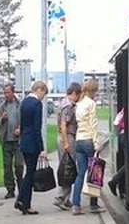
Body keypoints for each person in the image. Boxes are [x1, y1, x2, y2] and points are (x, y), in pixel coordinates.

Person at [71, 79, 106, 215]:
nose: (96, 94)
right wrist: (97, 144)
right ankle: (93, 205)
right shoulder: (91, 104)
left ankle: (75, 205)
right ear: (92, 91)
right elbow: (93, 125)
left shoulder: (79, 104)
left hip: (79, 141)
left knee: (81, 173)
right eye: (95, 91)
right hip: (89, 141)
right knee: (94, 173)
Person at [16, 80, 47, 215]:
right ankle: (25, 203)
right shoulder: (36, 104)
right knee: (30, 173)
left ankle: (21, 200)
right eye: (44, 94)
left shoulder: (24, 102)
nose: (43, 97)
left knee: (28, 172)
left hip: (24, 141)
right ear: (39, 90)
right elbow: (37, 127)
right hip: (33, 143)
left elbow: (22, 124)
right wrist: (41, 148)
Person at [53, 82, 82, 210]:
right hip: (68, 137)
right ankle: (60, 197)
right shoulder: (69, 106)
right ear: (74, 93)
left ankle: (66, 199)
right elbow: (64, 125)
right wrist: (66, 142)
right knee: (68, 168)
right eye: (79, 95)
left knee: (65, 166)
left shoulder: (62, 102)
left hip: (62, 137)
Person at [0, 83, 22, 199]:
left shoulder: (19, 105)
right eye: (4, 92)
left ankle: (22, 187)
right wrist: (2, 119)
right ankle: (10, 189)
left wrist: (20, 128)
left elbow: (25, 119)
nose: (6, 95)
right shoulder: (2, 106)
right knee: (7, 166)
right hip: (6, 139)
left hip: (18, 141)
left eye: (8, 92)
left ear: (13, 92)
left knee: (19, 165)